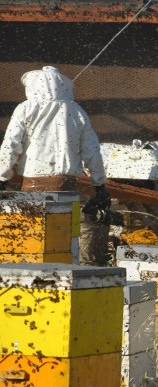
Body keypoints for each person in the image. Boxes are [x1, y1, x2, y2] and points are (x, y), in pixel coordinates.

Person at [0, 66, 111, 265]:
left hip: (32, 186)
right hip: (68, 186)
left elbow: (10, 146)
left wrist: (2, 177)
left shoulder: (25, 108)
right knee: (67, 240)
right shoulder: (76, 111)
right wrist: (99, 184)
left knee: (32, 241)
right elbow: (92, 151)